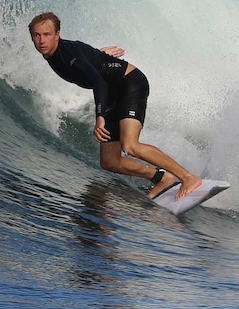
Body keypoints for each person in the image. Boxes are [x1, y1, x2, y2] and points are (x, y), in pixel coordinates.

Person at [28, 12, 202, 200]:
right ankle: (162, 178)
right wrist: (99, 56)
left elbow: (99, 83)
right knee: (109, 161)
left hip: (129, 83)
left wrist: (100, 116)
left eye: (46, 35)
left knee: (130, 145)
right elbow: (84, 55)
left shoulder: (68, 55)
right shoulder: (54, 53)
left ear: (57, 35)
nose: (41, 40)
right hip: (112, 92)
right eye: (37, 35)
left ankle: (188, 177)